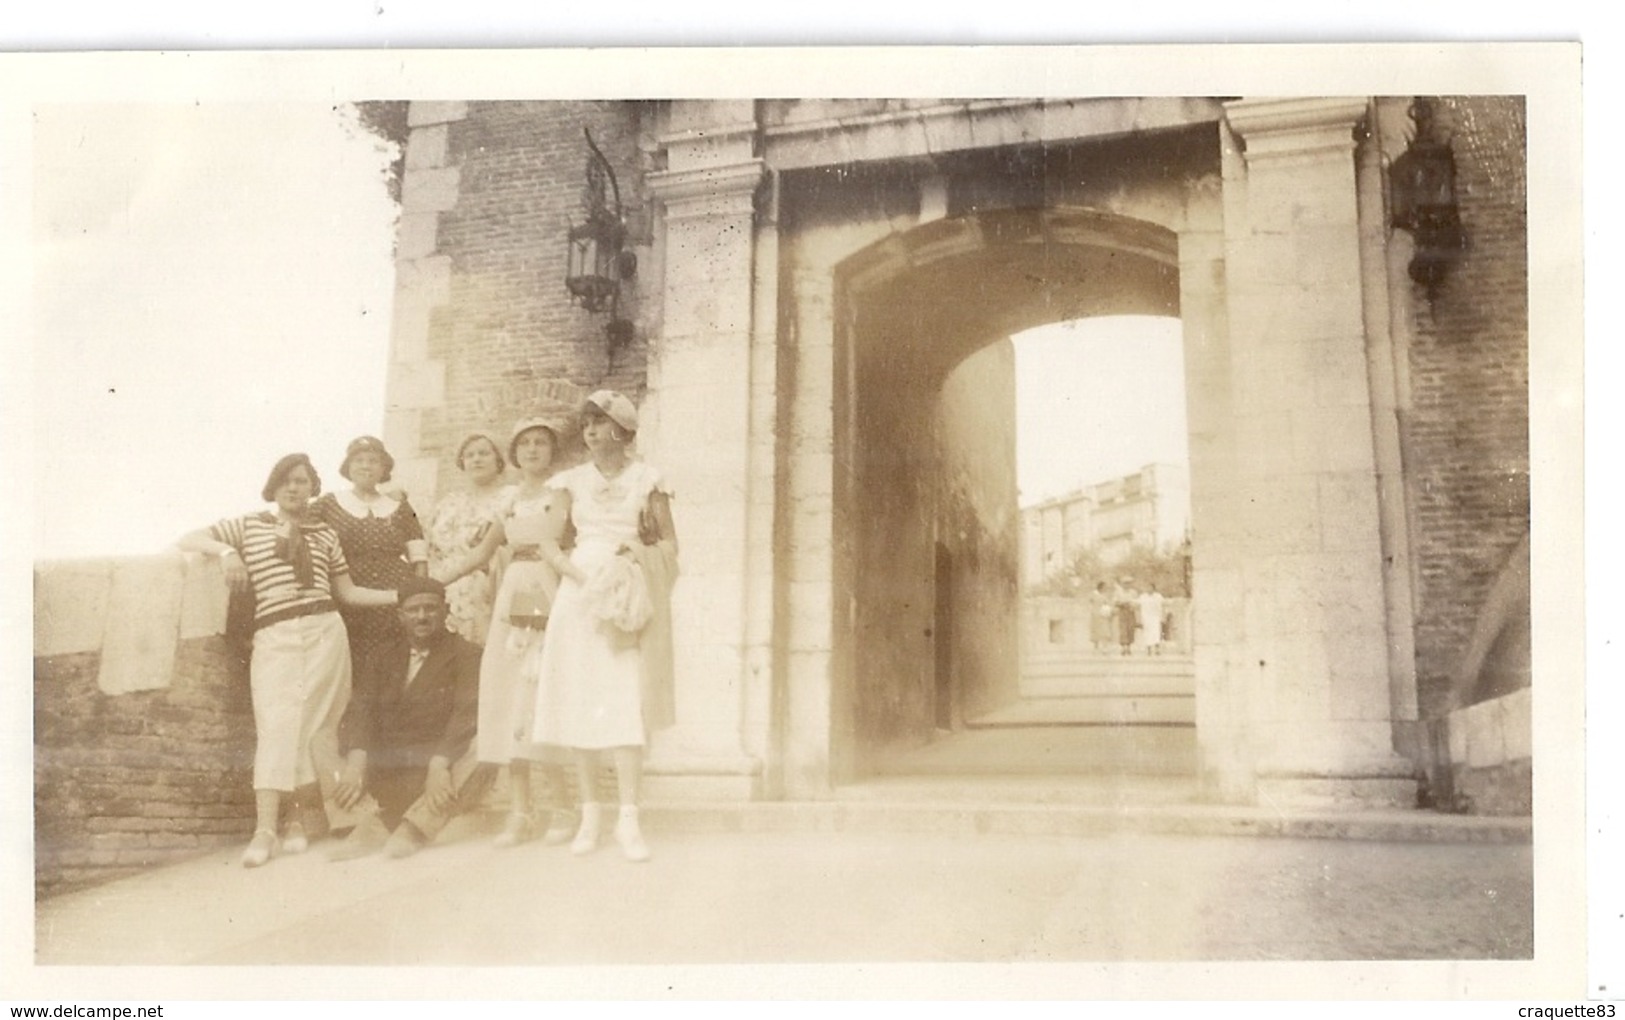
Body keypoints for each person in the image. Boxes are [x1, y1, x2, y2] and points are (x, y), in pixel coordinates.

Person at [176, 453, 401, 868]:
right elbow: (188, 538)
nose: (294, 488)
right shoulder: (250, 525)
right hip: (275, 632)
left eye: (302, 481)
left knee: (316, 726)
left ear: (313, 487)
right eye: (286, 481)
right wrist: (227, 553)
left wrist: (400, 596)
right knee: (277, 724)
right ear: (274, 488)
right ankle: (265, 829)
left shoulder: (325, 534)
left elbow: (347, 592)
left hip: (324, 630)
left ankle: (298, 820)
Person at [528, 390, 677, 863]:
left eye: (600, 422)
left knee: (623, 703)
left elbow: (670, 545)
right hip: (579, 597)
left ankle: (628, 818)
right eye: (586, 423)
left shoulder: (648, 481)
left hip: (626, 595)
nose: (591, 432)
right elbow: (547, 546)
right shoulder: (568, 483)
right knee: (579, 701)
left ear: (622, 430)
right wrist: (582, 578)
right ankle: (591, 814)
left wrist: (632, 561)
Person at [436, 417, 579, 848]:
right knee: (508, 695)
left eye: (541, 443)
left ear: (552, 452)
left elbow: (580, 542)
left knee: (541, 695)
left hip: (549, 590)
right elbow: (480, 554)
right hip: (512, 595)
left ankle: (564, 807)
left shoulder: (565, 495)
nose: (533, 451)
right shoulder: (510, 501)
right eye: (525, 445)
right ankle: (521, 810)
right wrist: (429, 583)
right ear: (514, 455)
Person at [327, 576, 493, 861]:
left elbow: (467, 713)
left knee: (486, 746)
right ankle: (367, 823)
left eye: (430, 609)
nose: (422, 616)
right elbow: (361, 709)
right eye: (414, 610)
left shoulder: (467, 654)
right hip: (386, 762)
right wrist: (356, 761)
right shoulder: (383, 656)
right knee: (321, 739)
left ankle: (414, 828)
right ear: (400, 616)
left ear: (446, 611)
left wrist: (440, 763)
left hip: (434, 765)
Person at [314, 436, 427, 680]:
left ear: (384, 469)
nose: (366, 466)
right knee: (348, 670)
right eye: (359, 460)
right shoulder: (329, 504)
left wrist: (418, 599)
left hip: (394, 602)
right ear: (348, 467)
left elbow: (419, 557)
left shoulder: (400, 507)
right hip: (346, 598)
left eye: (374, 461)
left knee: (392, 669)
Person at [424, 431, 511, 644]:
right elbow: (428, 548)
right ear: (462, 463)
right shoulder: (448, 503)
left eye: (484, 453)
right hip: (444, 591)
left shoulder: (509, 497)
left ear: (498, 460)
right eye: (470, 455)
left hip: (487, 590)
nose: (476, 459)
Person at [1137, 582, 1166, 656]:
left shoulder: (1158, 596)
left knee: (1156, 633)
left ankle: (1157, 649)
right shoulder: (1143, 596)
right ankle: (1148, 649)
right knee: (1147, 633)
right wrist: (1139, 618)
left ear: (1154, 588)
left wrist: (1163, 616)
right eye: (1148, 587)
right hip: (1146, 617)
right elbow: (1138, 606)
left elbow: (1163, 606)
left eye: (1151, 587)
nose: (1149, 589)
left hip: (1155, 617)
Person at [1113, 577, 1139, 656]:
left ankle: (1129, 647)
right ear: (1122, 584)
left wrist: (1132, 605)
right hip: (1122, 611)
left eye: (1128, 583)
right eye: (1125, 583)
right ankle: (1123, 648)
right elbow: (1115, 602)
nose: (1126, 585)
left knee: (1130, 629)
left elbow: (1137, 602)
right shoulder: (1118, 592)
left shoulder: (1133, 592)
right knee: (1123, 629)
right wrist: (1121, 604)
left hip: (1131, 612)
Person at [1089, 581, 1114, 654]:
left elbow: (1107, 604)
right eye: (1104, 587)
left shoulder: (1104, 595)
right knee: (1096, 632)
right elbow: (1090, 603)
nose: (1105, 588)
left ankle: (1104, 648)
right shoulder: (1094, 594)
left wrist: (1108, 611)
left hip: (1103, 615)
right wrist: (1092, 611)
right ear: (1101, 587)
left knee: (1105, 632)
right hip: (1095, 615)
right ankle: (1095, 647)